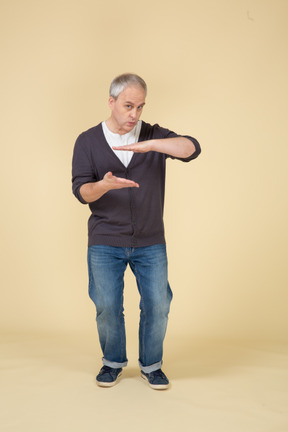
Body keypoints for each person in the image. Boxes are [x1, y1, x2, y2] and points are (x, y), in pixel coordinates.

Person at [72, 73, 201, 390]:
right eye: (128, 106)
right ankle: (112, 362)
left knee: (159, 304)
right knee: (108, 307)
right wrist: (104, 185)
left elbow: (192, 148)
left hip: (150, 240)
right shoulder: (88, 141)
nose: (134, 114)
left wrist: (152, 145)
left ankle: (152, 365)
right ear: (111, 101)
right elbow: (81, 192)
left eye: (140, 107)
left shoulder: (154, 135)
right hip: (105, 240)